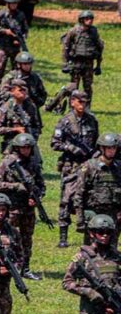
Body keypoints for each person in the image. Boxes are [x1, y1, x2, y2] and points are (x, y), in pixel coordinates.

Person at [63, 214, 121, 314]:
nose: (104, 236)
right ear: (92, 233)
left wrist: (114, 304)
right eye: (100, 232)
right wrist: (88, 292)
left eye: (108, 233)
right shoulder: (82, 257)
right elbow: (67, 282)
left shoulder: (117, 257)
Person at [0, 133, 45, 280]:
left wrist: (36, 197)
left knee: (27, 239)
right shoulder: (8, 163)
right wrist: (16, 186)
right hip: (11, 208)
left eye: (28, 148)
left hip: (27, 208)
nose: (25, 150)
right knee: (7, 238)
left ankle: (25, 268)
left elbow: (41, 185)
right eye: (23, 148)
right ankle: (3, 265)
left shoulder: (33, 163)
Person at [51, 90, 98, 248]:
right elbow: (55, 143)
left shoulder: (92, 120)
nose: (82, 105)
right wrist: (71, 148)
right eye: (79, 102)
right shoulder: (64, 121)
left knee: (88, 198)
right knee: (67, 199)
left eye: (85, 102)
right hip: (71, 166)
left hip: (88, 164)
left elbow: (97, 144)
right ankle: (63, 236)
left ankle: (88, 231)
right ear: (72, 102)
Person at [73, 133, 121, 242]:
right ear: (101, 148)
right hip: (94, 214)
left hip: (114, 215)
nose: (111, 150)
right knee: (92, 248)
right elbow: (79, 194)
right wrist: (80, 219)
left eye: (114, 148)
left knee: (111, 248)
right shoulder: (89, 166)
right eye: (108, 148)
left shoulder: (119, 167)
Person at [60, 11, 104, 104]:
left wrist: (98, 65)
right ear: (82, 20)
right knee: (73, 86)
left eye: (91, 19)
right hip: (76, 62)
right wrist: (65, 63)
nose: (90, 21)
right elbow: (66, 46)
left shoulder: (94, 31)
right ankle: (72, 106)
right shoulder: (74, 31)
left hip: (88, 63)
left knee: (88, 86)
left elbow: (99, 47)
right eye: (87, 19)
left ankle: (86, 107)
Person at [0, 0, 29, 86]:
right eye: (12, 4)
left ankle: (16, 86)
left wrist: (20, 38)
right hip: (3, 46)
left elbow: (25, 29)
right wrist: (5, 31)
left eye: (15, 3)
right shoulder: (1, 14)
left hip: (15, 47)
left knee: (18, 68)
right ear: (7, 4)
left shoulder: (21, 15)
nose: (14, 5)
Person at [0, 78, 41, 154]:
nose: (23, 93)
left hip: (28, 147)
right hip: (11, 147)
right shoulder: (6, 107)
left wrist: (32, 136)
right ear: (12, 91)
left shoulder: (31, 106)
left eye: (25, 90)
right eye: (20, 90)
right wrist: (14, 129)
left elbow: (37, 126)